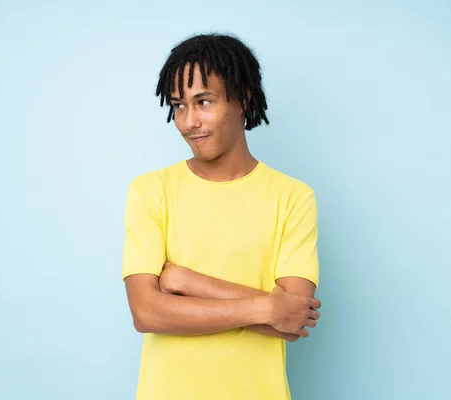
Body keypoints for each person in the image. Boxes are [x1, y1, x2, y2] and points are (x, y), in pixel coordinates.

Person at [121, 33, 321, 400]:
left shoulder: (293, 198)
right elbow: (146, 312)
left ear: (243, 98)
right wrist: (265, 306)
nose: (188, 121)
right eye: (179, 105)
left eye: (204, 101)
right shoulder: (150, 192)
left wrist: (186, 280)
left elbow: (291, 319)